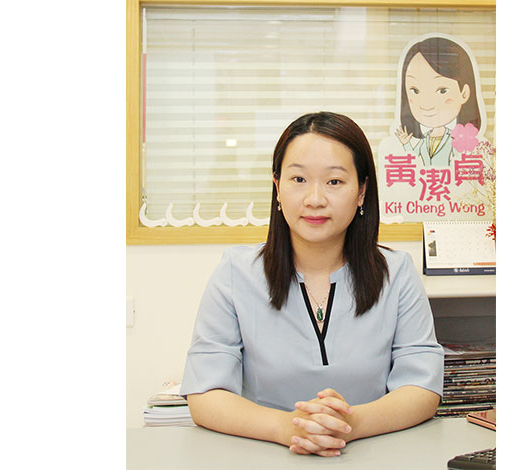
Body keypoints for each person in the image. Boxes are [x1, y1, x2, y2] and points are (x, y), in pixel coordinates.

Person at [180, 111, 443, 457]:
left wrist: (349, 425)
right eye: (299, 179)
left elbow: (422, 388)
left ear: (362, 191)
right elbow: (205, 394)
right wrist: (288, 427)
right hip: (261, 456)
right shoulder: (235, 273)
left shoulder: (397, 273)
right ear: (277, 187)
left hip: (373, 455)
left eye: (334, 181)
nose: (315, 199)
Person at [395, 36, 482, 167]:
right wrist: (406, 143)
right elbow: (414, 157)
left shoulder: (456, 140)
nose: (427, 105)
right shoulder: (425, 140)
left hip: (448, 180)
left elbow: (462, 163)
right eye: (415, 91)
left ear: (464, 93)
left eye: (442, 90)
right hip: (424, 179)